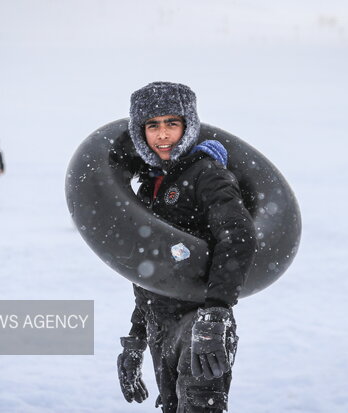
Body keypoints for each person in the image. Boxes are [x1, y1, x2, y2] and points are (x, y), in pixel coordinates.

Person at [117, 82, 257, 412]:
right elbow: (152, 271)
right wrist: (136, 337)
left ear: (187, 126)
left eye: (172, 123)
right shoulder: (149, 188)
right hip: (160, 324)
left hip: (200, 322)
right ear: (141, 132)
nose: (163, 135)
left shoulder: (206, 174)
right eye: (153, 125)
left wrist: (215, 314)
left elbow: (238, 236)